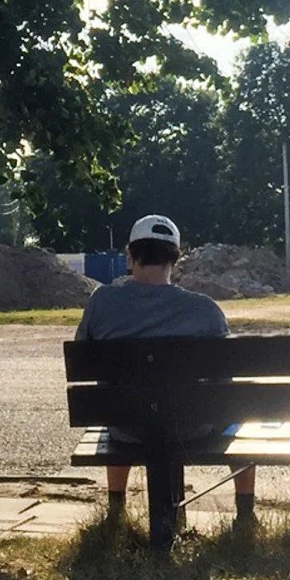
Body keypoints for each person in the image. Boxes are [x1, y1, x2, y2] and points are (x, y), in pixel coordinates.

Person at [75, 214, 256, 542]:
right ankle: (245, 515)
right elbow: (225, 382)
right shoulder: (205, 310)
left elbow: (82, 354)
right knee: (237, 408)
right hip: (192, 427)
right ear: (176, 257)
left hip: (127, 428)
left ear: (130, 256)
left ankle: (116, 512)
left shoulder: (102, 302)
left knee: (120, 404)